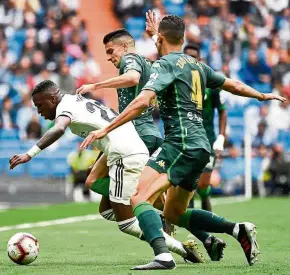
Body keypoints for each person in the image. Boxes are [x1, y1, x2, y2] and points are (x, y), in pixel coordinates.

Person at [80, 13, 285, 270]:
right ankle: (237, 229)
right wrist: (261, 95)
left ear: (162, 38)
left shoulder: (164, 65)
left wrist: (105, 129)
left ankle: (164, 256)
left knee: (138, 198)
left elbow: (142, 100)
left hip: (180, 143)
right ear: (183, 38)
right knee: (174, 213)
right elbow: (232, 84)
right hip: (200, 145)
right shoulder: (197, 65)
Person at [9, 80, 204, 265]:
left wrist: (30, 153)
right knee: (107, 210)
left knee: (126, 223)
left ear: (52, 99)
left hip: (124, 155)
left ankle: (181, 249)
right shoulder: (77, 100)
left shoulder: (64, 107)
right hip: (130, 150)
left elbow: (59, 129)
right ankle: (161, 220)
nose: (39, 111)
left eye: (40, 105)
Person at [184, 43, 227, 212]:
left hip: (208, 141)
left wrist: (221, 137)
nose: (191, 61)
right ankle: (192, 228)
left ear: (200, 59)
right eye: (187, 57)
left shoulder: (211, 82)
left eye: (194, 57)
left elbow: (223, 111)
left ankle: (207, 222)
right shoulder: (179, 81)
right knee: (188, 187)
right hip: (186, 140)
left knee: (202, 185)